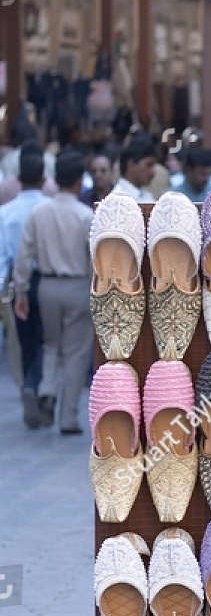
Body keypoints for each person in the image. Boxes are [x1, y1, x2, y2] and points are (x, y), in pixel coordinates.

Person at [13, 148, 93, 436]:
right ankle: (68, 418)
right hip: (78, 285)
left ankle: (47, 389)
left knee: (50, 344)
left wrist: (21, 290)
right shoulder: (86, 216)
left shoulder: (38, 212)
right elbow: (95, 258)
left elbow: (24, 255)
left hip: (46, 284)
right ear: (78, 180)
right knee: (76, 351)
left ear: (55, 178)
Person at [1, 146, 47, 426]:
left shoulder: (6, 213)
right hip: (47, 278)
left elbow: (3, 256)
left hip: (19, 282)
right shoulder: (48, 209)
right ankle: (37, 386)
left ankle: (30, 384)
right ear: (44, 179)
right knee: (49, 341)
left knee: (25, 340)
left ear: (18, 178)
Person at [114, 134, 157, 204]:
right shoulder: (117, 200)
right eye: (149, 165)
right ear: (131, 165)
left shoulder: (146, 195)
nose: (153, 171)